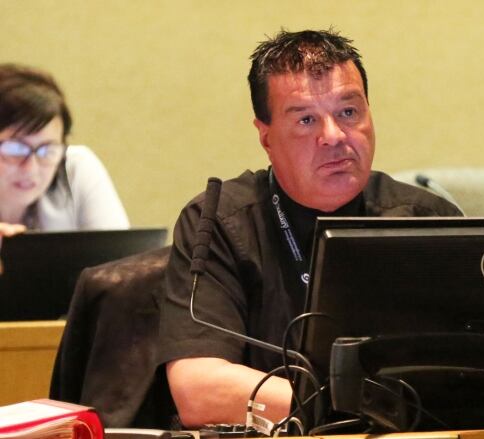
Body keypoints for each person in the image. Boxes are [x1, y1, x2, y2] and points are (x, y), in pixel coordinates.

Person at [158, 29, 462, 428]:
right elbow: (199, 390)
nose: (334, 136)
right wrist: (360, 405)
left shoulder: (427, 220)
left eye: (349, 112)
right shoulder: (218, 224)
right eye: (305, 119)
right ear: (266, 137)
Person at [0, 63, 129, 237]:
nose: (31, 168)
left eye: (47, 150)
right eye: (16, 149)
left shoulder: (75, 167)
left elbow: (121, 257)